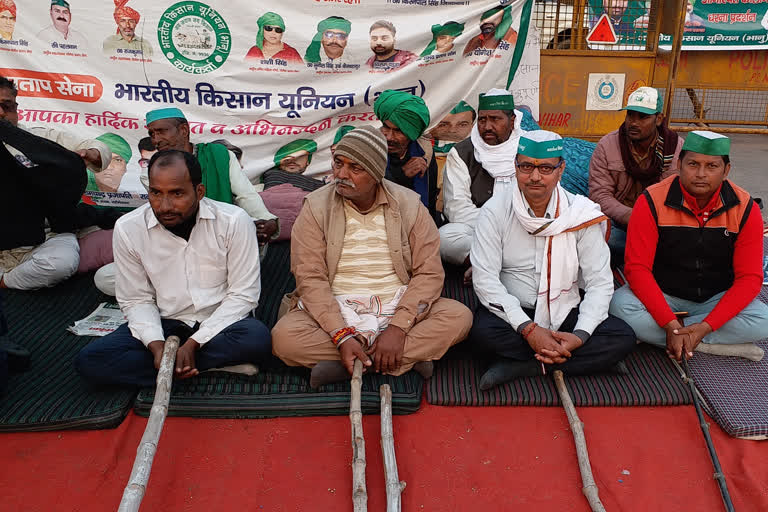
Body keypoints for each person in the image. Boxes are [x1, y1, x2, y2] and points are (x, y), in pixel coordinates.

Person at [271, 127, 472, 387]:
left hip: (396, 303)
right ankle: (398, 361)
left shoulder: (410, 205)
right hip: (337, 306)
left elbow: (429, 273)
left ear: (376, 173)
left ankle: (350, 365)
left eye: (355, 168)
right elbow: (309, 277)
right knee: (285, 338)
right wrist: (341, 335)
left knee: (459, 316)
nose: (342, 174)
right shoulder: (315, 207)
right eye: (338, 163)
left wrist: (398, 327)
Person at [76, 151, 273, 387]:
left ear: (199, 192)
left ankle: (174, 367)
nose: (165, 205)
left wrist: (194, 344)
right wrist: (157, 346)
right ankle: (202, 367)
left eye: (177, 193)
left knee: (257, 339)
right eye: (156, 193)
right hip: (165, 320)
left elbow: (243, 295)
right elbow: (136, 299)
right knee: (92, 361)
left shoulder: (234, 221)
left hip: (220, 323)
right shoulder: (129, 228)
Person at [469, 130, 636, 390]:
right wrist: (528, 329)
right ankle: (584, 362)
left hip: (566, 309)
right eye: (526, 167)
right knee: (480, 333)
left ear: (561, 170)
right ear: (515, 167)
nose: (535, 177)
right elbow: (485, 280)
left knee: (622, 337)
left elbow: (600, 283)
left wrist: (579, 336)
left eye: (545, 168)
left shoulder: (580, 213)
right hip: (517, 312)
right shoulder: (494, 211)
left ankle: (527, 366)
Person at [610, 131, 768, 362]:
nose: (701, 174)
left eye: (712, 166)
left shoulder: (745, 208)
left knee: (763, 320)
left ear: (726, 171)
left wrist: (705, 326)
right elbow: (637, 269)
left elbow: (750, 278)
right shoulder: (652, 201)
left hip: (716, 297)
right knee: (619, 306)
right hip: (664, 293)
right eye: (693, 164)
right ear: (679, 164)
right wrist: (669, 322)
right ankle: (701, 342)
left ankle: (679, 338)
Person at [94, 107, 278, 295]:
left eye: (161, 131)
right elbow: (168, 218)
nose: (156, 140)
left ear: (183, 130)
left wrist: (265, 219)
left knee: (255, 238)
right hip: (178, 247)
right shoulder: (151, 172)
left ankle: (180, 291)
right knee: (105, 278)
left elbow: (246, 196)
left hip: (222, 243)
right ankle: (206, 289)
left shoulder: (219, 155)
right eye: (152, 134)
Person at [0, 76, 110, 290]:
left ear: (16, 107)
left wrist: (92, 153)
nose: (1, 113)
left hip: (44, 237)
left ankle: (5, 282)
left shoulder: (37, 140)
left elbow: (95, 146)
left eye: (6, 106)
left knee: (61, 263)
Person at [589, 86, 682, 264]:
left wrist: (653, 221)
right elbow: (599, 195)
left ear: (659, 119)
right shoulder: (607, 145)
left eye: (643, 117)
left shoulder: (677, 149)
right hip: (618, 222)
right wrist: (632, 216)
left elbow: (680, 195)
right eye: (630, 115)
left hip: (660, 224)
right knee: (599, 238)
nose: (633, 122)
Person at [439, 88, 524, 273]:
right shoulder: (462, 153)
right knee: (445, 238)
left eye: (495, 119)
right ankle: (507, 263)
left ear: (512, 122)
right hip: (477, 229)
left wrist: (516, 228)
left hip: (522, 227)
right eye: (483, 119)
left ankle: (484, 265)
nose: (487, 127)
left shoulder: (528, 150)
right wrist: (497, 228)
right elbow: (456, 209)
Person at [373, 89, 438, 219]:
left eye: (398, 131)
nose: (389, 137)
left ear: (412, 133)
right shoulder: (370, 146)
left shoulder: (425, 151)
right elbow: (365, 195)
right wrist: (401, 175)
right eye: (386, 127)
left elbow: (430, 202)